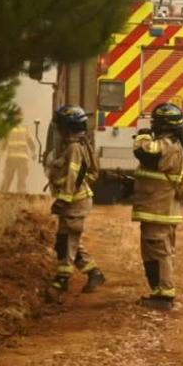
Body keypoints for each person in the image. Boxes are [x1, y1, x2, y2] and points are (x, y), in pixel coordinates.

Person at [131, 102, 183, 310]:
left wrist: (142, 137)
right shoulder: (173, 144)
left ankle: (165, 294)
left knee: (159, 251)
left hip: (159, 210)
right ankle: (159, 291)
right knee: (155, 252)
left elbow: (145, 153)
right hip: (158, 209)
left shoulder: (168, 144)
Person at [46, 105, 104, 295]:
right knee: (68, 242)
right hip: (73, 202)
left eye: (61, 126)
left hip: (75, 203)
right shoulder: (76, 146)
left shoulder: (74, 148)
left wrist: (63, 199)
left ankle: (62, 280)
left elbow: (74, 176)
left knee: (66, 242)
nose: (59, 131)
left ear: (69, 127)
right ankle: (94, 273)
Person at [0, 113, 38, 193]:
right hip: (22, 158)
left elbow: (3, 144)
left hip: (11, 158)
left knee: (8, 179)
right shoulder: (25, 129)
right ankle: (20, 195)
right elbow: (31, 143)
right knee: (21, 180)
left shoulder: (9, 129)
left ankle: (3, 194)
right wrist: (33, 153)